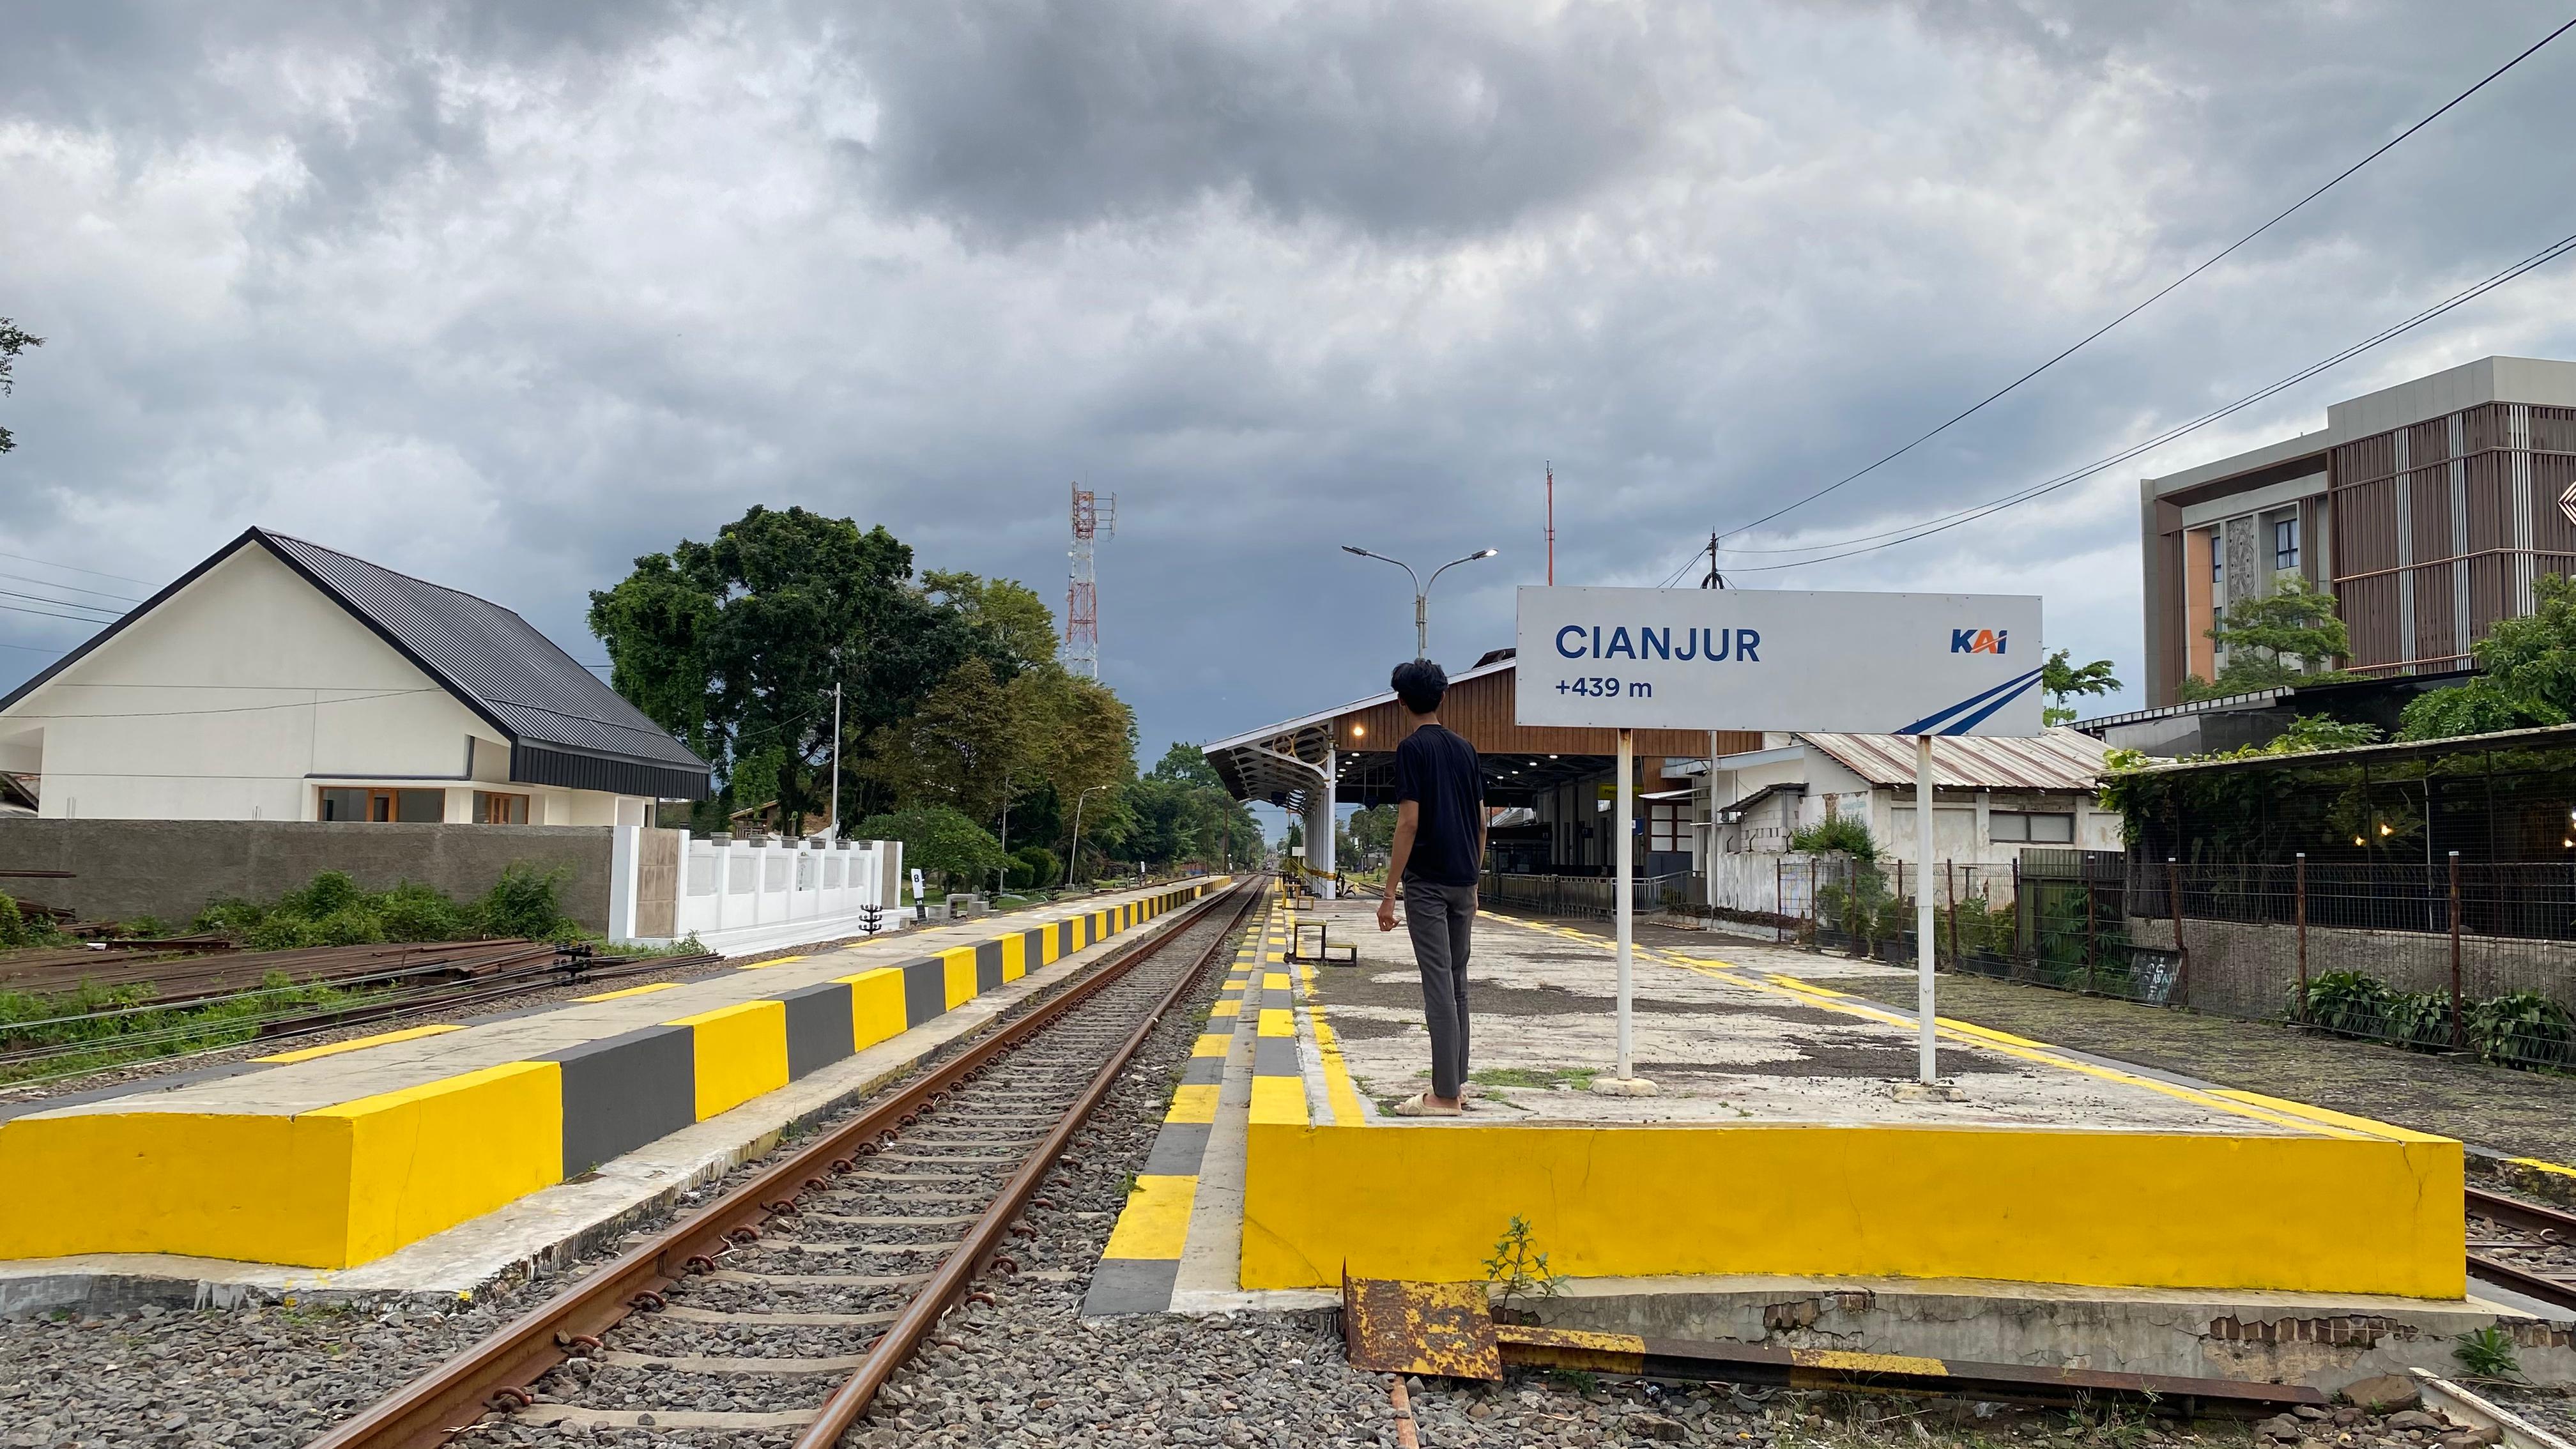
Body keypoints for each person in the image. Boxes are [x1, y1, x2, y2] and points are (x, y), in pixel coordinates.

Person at [1374, 658, 1487, 1117]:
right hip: (1463, 880)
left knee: (1438, 983)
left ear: (1401, 701)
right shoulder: (1466, 749)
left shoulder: (1412, 749)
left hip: (1427, 885)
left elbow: (1409, 822)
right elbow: (1481, 824)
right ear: (1442, 697)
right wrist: (1474, 881)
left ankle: (1443, 1096)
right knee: (1458, 982)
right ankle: (1457, 1084)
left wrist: (1389, 894)